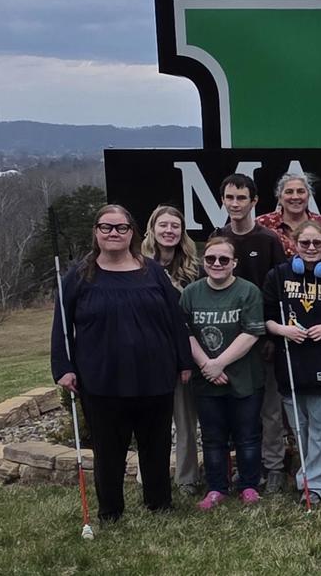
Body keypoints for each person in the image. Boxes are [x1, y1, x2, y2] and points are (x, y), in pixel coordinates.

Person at [51, 205, 193, 523]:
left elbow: (174, 320)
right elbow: (60, 325)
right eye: (106, 227)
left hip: (154, 376)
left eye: (121, 228)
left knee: (155, 445)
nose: (113, 233)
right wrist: (64, 367)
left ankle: (159, 502)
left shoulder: (152, 271)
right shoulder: (78, 275)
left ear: (132, 233)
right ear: (96, 233)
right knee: (108, 450)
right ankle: (110, 510)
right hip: (102, 380)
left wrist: (184, 360)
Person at [263, 221, 321, 506]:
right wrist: (283, 330)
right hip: (292, 365)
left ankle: (312, 486)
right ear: (295, 244)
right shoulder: (278, 276)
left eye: (317, 243)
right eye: (305, 243)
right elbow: (265, 319)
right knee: (302, 432)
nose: (311, 248)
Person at [215, 173, 289, 494]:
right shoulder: (219, 238)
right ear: (223, 200)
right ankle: (248, 466)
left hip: (264, 339)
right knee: (238, 408)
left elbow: (280, 291)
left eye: (241, 198)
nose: (235, 204)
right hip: (229, 341)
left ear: (254, 202)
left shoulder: (268, 239)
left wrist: (272, 336)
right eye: (230, 197)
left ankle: (274, 467)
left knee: (270, 410)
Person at [180, 237, 266, 510]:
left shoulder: (248, 291)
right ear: (203, 262)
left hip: (245, 377)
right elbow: (185, 333)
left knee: (248, 436)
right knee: (213, 437)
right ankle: (217, 487)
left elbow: (251, 332)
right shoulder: (191, 293)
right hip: (206, 380)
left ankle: (249, 485)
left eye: (224, 260)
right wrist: (207, 365)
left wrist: (219, 363)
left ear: (234, 263)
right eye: (210, 259)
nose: (216, 264)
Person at [141, 205, 200, 495]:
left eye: (175, 226)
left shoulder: (192, 268)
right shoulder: (136, 264)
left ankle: (187, 478)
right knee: (149, 421)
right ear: (152, 229)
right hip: (148, 355)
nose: (169, 231)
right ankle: (149, 475)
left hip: (182, 354)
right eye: (163, 225)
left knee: (185, 420)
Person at [257, 172, 321, 258]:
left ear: (308, 196)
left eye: (301, 191)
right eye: (289, 192)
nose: (295, 197)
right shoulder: (262, 223)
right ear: (279, 197)